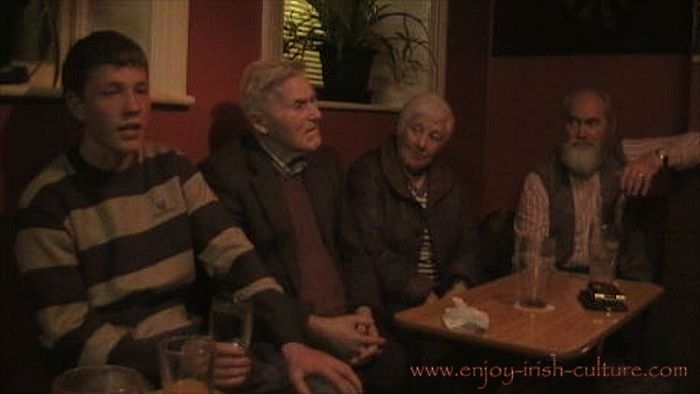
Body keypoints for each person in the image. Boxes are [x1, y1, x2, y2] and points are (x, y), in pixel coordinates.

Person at [14, 31, 361, 394]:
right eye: (112, 92)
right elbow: (67, 333)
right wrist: (178, 358)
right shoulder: (47, 203)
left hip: (197, 352)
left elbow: (237, 260)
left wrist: (293, 343)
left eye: (141, 89)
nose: (133, 106)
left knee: (323, 383)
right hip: (119, 372)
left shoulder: (173, 169)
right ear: (77, 106)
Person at [200, 59, 405, 393]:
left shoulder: (326, 163)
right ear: (259, 122)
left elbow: (355, 250)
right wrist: (318, 329)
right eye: (300, 105)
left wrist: (365, 314)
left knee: (410, 367)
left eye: (313, 100)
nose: (316, 114)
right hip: (288, 332)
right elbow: (240, 283)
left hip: (349, 320)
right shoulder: (226, 175)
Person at [343, 93, 479, 324]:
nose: (422, 144)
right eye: (416, 130)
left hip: (445, 298)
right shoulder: (368, 173)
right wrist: (424, 294)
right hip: (392, 300)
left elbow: (468, 242)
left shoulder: (449, 179)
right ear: (400, 127)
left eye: (434, 137)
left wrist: (459, 285)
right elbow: (371, 250)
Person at [514, 88, 657, 280]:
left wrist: (657, 158)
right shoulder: (541, 179)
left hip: (614, 285)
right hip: (558, 284)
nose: (582, 133)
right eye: (574, 122)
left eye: (592, 123)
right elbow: (532, 258)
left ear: (609, 127)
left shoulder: (623, 164)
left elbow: (693, 144)